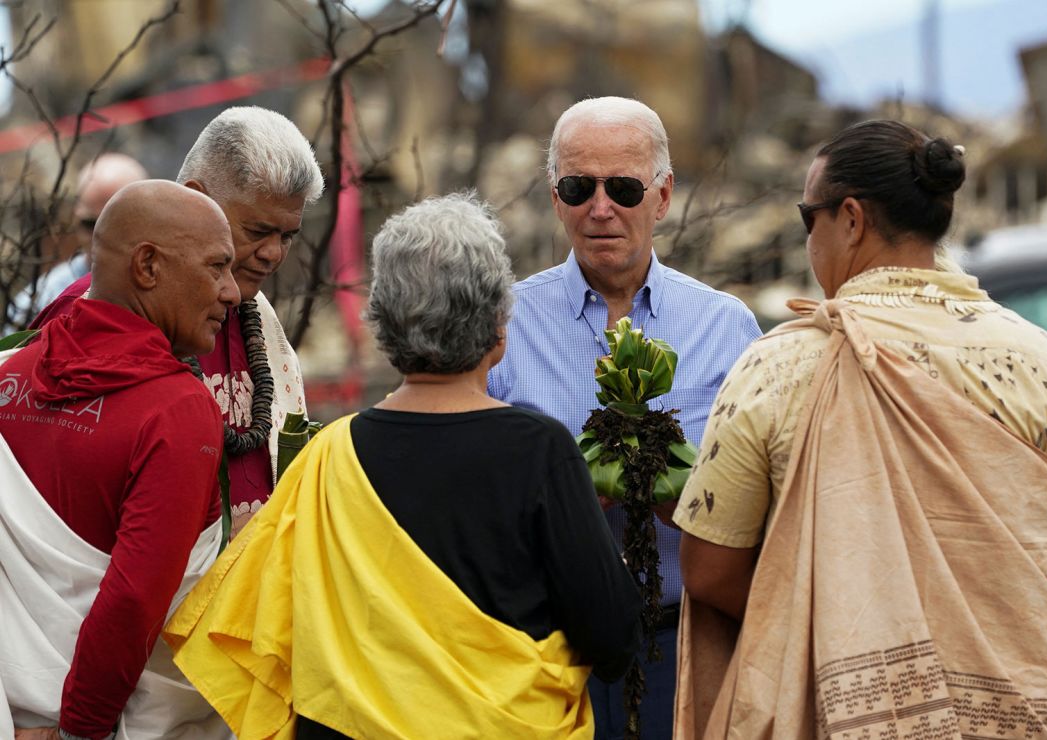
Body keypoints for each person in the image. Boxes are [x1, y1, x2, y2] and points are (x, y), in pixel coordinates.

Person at [674, 120, 1047, 738]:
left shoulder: (780, 368)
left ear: (849, 218)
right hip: (1021, 703)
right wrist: (982, 611)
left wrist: (848, 620)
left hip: (840, 708)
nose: (807, 239)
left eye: (808, 218)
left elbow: (710, 568)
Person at [164, 192, 643, 739]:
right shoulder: (541, 452)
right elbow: (611, 636)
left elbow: (263, 630)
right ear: (498, 326)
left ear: (382, 327)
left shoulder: (327, 458)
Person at [487, 96, 762, 738]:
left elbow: (770, 502)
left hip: (686, 643)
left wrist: (691, 503)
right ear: (556, 197)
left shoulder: (727, 330)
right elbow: (476, 493)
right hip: (547, 654)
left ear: (662, 197)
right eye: (579, 187)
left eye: (625, 188)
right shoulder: (504, 327)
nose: (601, 208)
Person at [0, 180, 240, 739]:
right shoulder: (176, 411)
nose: (232, 291)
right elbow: (134, 602)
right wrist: (80, 729)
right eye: (216, 267)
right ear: (148, 266)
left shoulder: (7, 378)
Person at [31, 107, 325, 537]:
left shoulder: (253, 312)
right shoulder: (88, 317)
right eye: (258, 231)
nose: (274, 254)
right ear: (196, 198)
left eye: (287, 236)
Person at [3, 153, 147, 332]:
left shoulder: (168, 294)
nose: (100, 237)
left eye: (116, 226)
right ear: (75, 217)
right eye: (90, 224)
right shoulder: (45, 299)